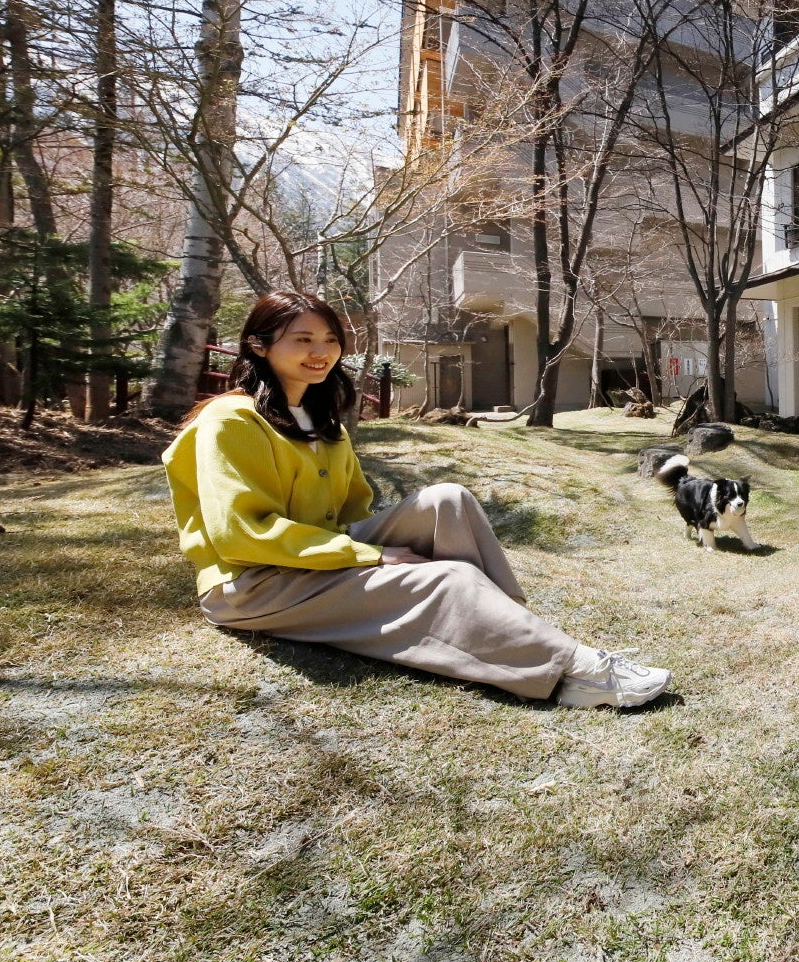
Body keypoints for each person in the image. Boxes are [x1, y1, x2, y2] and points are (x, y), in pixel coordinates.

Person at [162, 290, 671, 709]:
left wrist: (369, 552)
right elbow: (241, 535)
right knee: (449, 577)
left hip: (316, 556)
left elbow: (355, 511)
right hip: (254, 585)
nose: (321, 351)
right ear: (258, 346)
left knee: (447, 499)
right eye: (302, 339)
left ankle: (507, 629)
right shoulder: (231, 420)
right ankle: (570, 670)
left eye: (330, 339)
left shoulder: (322, 422)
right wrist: (371, 556)